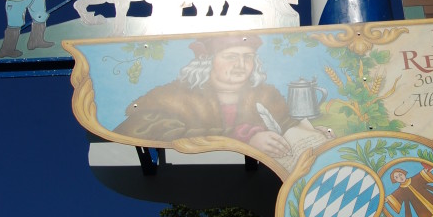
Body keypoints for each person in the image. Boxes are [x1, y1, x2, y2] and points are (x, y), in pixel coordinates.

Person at [115, 33, 303, 157]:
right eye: (231, 57)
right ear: (207, 61)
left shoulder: (266, 96)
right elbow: (149, 130)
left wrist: (303, 133)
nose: (241, 65)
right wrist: (242, 139)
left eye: (248, 57)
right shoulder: (173, 97)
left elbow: (284, 124)